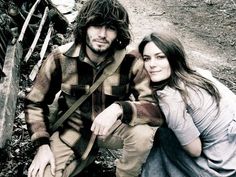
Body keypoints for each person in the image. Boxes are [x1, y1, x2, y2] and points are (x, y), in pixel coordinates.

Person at [24, 1, 164, 177]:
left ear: (118, 32)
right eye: (96, 25)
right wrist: (42, 146)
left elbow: (156, 109)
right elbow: (34, 103)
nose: (103, 34)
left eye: (111, 28)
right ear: (84, 26)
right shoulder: (60, 58)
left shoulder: (131, 62)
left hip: (113, 130)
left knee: (142, 134)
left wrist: (119, 108)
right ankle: (85, 157)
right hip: (73, 131)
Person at [138, 32, 236, 177]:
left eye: (160, 57)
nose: (152, 64)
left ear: (173, 57)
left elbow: (195, 150)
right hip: (231, 151)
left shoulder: (170, 98)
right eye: (147, 59)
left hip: (222, 170)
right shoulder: (200, 74)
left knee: (165, 134)